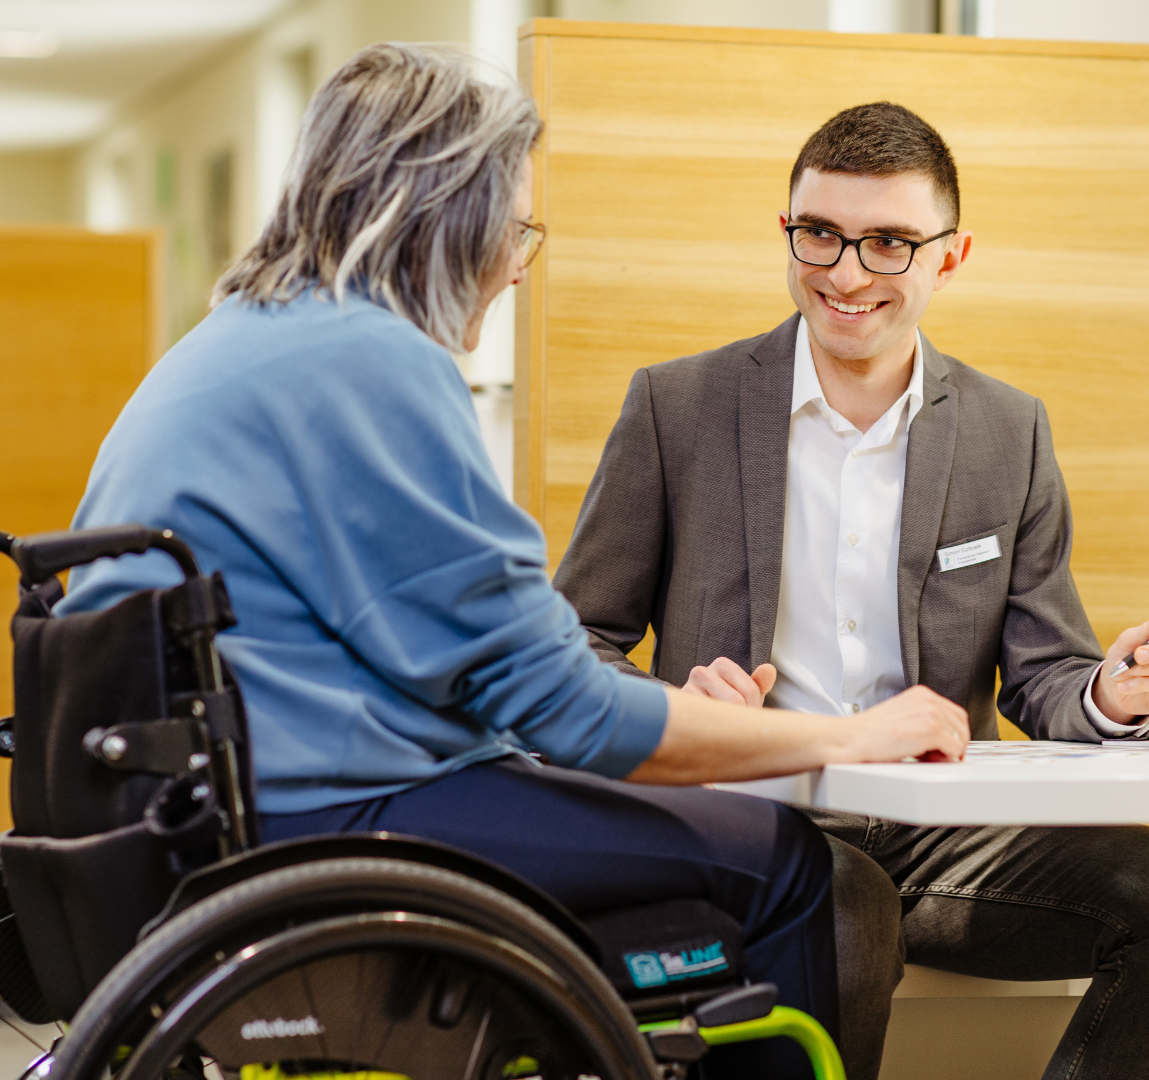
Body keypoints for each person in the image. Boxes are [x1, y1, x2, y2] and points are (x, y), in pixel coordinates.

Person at [56, 46, 969, 1080]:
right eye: (517, 226)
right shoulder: (374, 362)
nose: (520, 263)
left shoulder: (242, 339)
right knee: (792, 867)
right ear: (447, 210)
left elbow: (425, 645)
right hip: (325, 816)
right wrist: (849, 734)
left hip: (213, 801)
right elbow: (567, 710)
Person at [553, 102, 1149, 1080]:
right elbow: (575, 644)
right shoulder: (678, 406)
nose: (846, 273)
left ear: (950, 257)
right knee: (847, 907)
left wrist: (1111, 693)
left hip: (943, 833)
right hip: (756, 820)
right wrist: (679, 711)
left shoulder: (1009, 430)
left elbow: (1044, 670)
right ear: (786, 231)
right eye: (820, 234)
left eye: (888, 243)